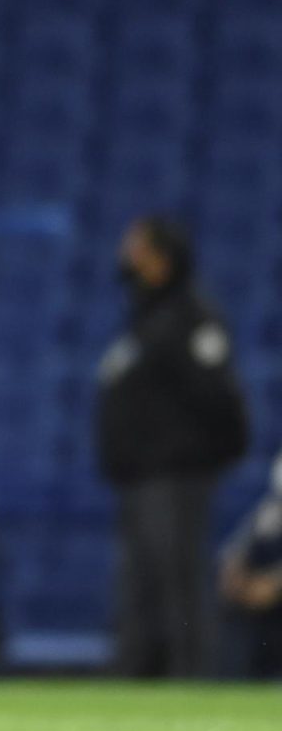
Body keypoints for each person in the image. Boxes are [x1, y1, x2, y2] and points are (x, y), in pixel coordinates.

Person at [96, 216, 249, 678]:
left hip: (176, 478)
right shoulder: (145, 319)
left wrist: (195, 455)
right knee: (138, 590)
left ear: (162, 258)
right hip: (140, 478)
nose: (127, 256)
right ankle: (135, 681)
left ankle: (192, 678)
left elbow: (219, 397)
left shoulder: (190, 320)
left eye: (137, 247)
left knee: (178, 583)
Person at [218, 453, 282, 677]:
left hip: (273, 592)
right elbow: (236, 552)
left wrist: (274, 584)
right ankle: (234, 677)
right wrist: (237, 578)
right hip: (261, 597)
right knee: (231, 605)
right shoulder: (270, 511)